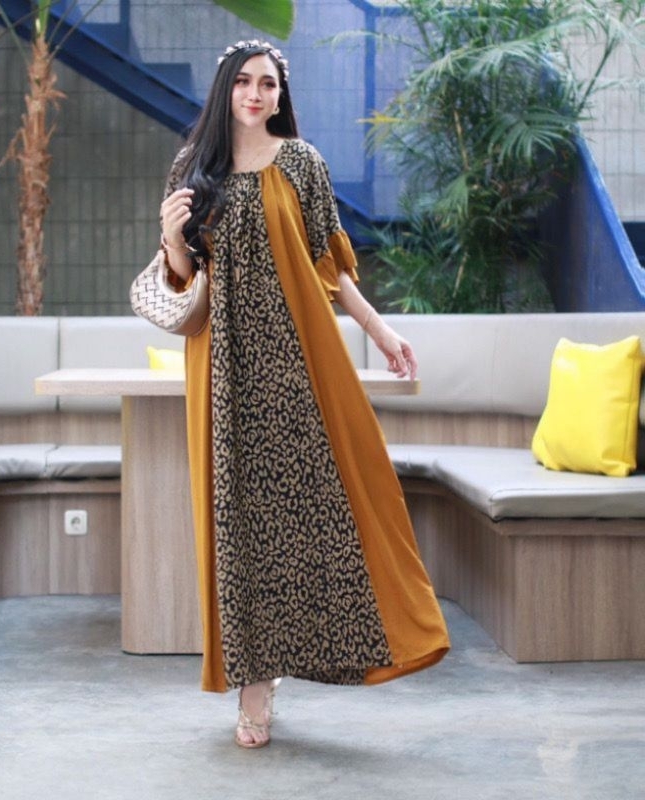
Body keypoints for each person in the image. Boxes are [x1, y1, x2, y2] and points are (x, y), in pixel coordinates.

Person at [158, 40, 450, 749]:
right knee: (239, 523)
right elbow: (183, 280)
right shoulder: (191, 168)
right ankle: (254, 687)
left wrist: (381, 332)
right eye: (244, 82)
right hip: (222, 367)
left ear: (280, 95)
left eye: (269, 84)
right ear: (226, 89)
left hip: (296, 362)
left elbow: (331, 267)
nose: (256, 94)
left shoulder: (302, 163)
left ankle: (318, 647)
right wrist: (172, 240)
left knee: (313, 509)